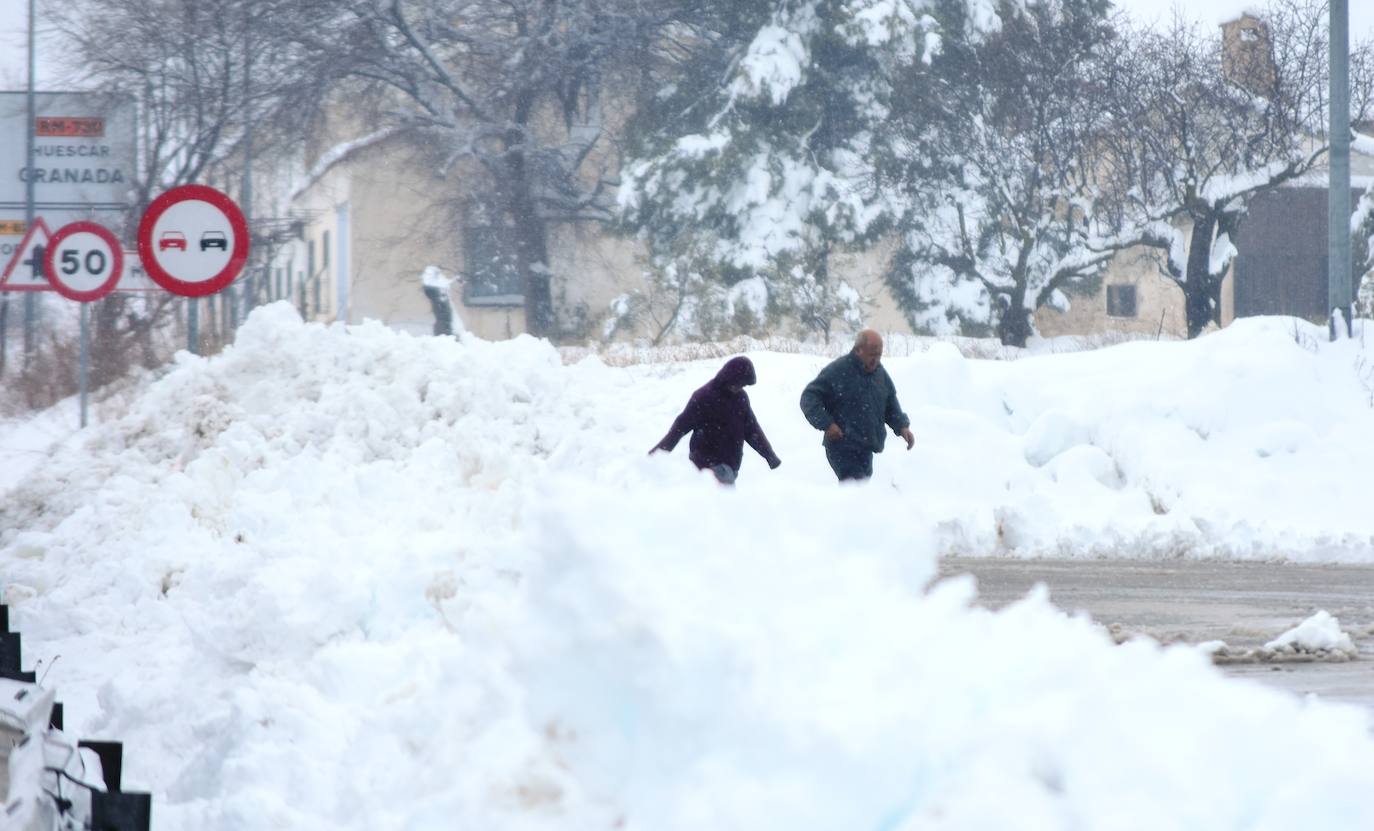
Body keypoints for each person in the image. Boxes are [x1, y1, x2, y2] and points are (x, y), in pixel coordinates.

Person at [799, 329, 914, 482]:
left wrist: (902, 426)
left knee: (859, 496)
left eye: (879, 355)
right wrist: (827, 424)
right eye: (872, 355)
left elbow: (890, 402)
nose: (876, 360)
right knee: (857, 491)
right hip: (842, 447)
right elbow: (809, 397)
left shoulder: (879, 374)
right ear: (858, 350)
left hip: (866, 448)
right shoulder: (838, 370)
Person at [651, 356, 782, 484]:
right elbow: (680, 427)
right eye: (738, 383)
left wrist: (769, 456)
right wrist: (656, 455)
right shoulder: (704, 397)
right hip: (707, 465)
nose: (739, 387)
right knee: (724, 503)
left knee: (719, 504)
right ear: (729, 377)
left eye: (743, 385)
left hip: (730, 466)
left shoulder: (740, 398)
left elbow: (752, 430)